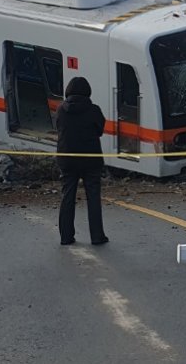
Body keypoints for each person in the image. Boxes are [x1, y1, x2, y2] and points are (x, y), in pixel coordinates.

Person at [56, 76, 109, 246]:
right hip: (90, 159)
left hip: (67, 159)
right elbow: (100, 130)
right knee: (93, 197)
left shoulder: (61, 110)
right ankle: (97, 236)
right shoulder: (94, 110)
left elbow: (58, 128)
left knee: (67, 196)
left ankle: (66, 236)